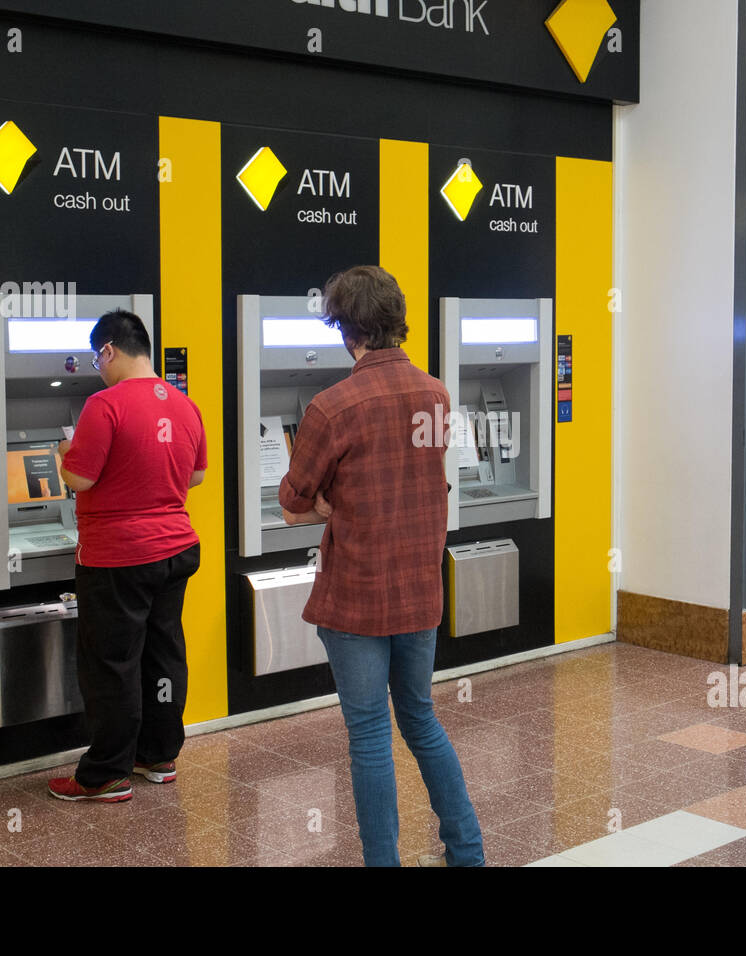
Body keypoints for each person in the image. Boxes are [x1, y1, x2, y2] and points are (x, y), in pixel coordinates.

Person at [280, 265, 484, 867]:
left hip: (356, 598)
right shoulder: (436, 393)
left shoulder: (330, 406)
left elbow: (292, 503)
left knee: (369, 735)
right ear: (396, 320)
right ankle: (467, 854)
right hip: (419, 591)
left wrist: (332, 504)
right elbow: (421, 482)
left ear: (347, 330)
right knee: (421, 719)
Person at [48, 309, 207, 802]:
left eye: (98, 357)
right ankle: (157, 755)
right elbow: (196, 477)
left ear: (110, 350)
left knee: (111, 663)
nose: (98, 367)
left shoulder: (104, 404)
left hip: (118, 556)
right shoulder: (184, 405)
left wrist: (61, 453)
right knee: (163, 654)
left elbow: (80, 479)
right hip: (176, 548)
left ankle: (105, 773)